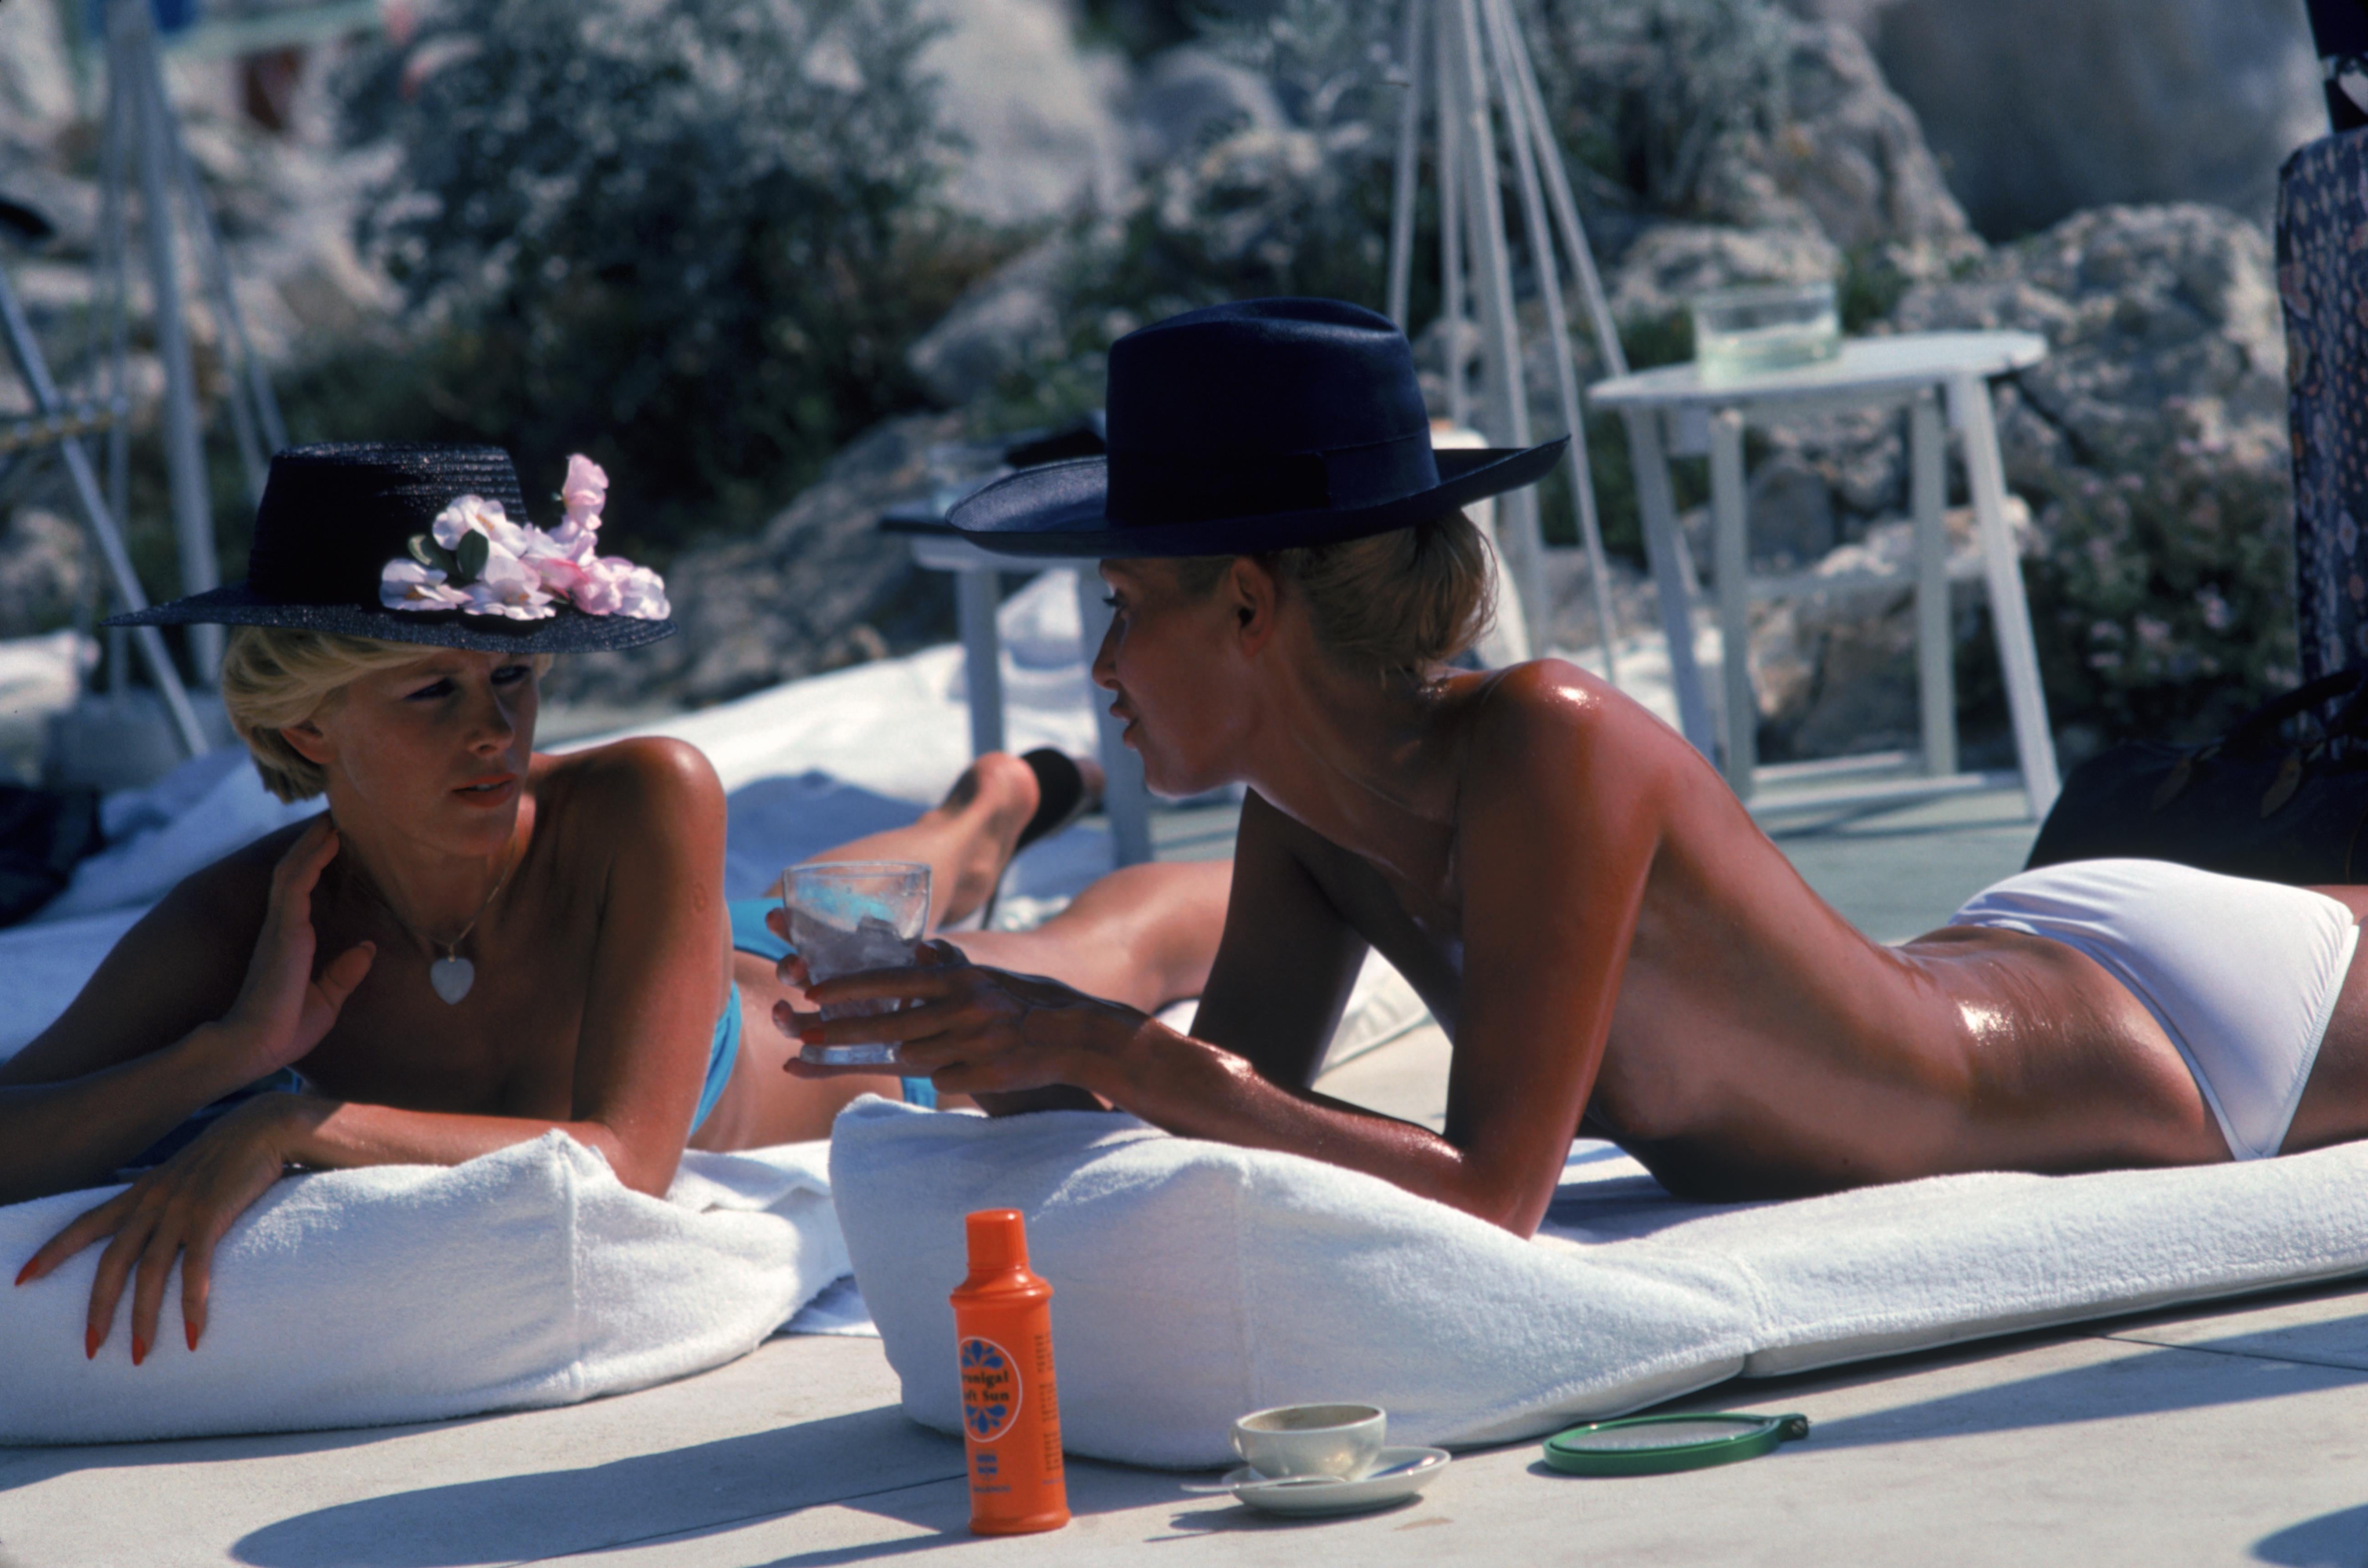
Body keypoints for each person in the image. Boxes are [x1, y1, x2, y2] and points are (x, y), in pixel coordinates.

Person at [784, 296, 2368, 1239]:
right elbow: (1243, 1104)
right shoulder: (1306, 823)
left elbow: (1492, 1197)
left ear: (1253, 604)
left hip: (2181, 1030)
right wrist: (982, 1036)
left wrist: (1124, 1050)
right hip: (2024, 947)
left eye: (1125, 609)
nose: (1106, 670)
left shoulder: (1550, 741)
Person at [2, 443, 1227, 1361]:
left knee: (1101, 944)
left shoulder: (648, 793)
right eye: (435, 693)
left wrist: (285, 1118)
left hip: (813, 1004)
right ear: (305, 722)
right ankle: (989, 805)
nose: (497, 731)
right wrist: (217, 1057)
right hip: (703, 936)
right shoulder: (241, 920)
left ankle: (997, 805)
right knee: (892, 875)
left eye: (518, 678)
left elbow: (626, 1162)